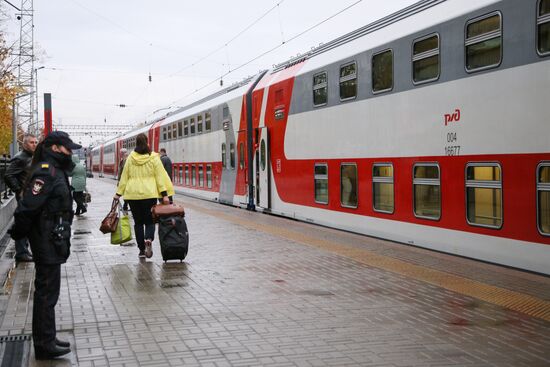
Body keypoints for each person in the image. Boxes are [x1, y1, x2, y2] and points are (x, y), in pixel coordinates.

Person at [9, 131, 81, 360]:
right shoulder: (45, 172)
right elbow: (27, 207)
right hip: (45, 237)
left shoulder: (54, 169)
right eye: (67, 148)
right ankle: (44, 344)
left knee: (49, 292)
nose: (71, 152)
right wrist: (18, 234)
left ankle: (47, 337)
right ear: (56, 148)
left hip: (51, 237)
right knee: (46, 293)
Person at [114, 134, 174, 259]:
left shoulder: (130, 158)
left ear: (136, 143)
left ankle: (141, 249)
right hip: (149, 194)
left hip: (132, 195)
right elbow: (160, 177)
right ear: (147, 142)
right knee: (149, 221)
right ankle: (149, 239)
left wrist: (118, 194)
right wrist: (164, 195)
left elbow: (124, 177)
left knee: (138, 222)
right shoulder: (154, 157)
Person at [4, 133, 38, 262]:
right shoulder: (20, 158)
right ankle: (21, 253)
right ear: (24, 144)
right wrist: (19, 190)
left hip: (30, 196)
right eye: (31, 142)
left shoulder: (30, 157)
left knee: (27, 223)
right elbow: (8, 175)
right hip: (25, 197)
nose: (34, 144)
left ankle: (24, 251)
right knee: (23, 223)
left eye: (35, 142)